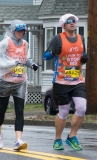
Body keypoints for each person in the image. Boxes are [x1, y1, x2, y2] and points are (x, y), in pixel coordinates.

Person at [43, 13, 88, 151]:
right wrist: (53, 53)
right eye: (69, 21)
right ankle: (57, 139)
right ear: (64, 24)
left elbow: (82, 54)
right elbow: (45, 56)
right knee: (64, 111)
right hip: (61, 81)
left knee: (81, 108)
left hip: (77, 80)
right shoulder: (58, 39)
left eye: (74, 20)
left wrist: (84, 58)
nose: (72, 23)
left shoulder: (81, 38)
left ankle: (72, 136)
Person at [0, 19, 38, 150]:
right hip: (5, 81)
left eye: (22, 31)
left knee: (19, 111)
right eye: (18, 31)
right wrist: (12, 63)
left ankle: (18, 140)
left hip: (20, 82)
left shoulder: (25, 43)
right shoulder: (5, 43)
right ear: (13, 30)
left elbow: (25, 59)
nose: (21, 33)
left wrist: (32, 64)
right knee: (2, 109)